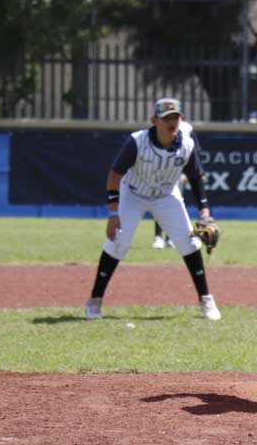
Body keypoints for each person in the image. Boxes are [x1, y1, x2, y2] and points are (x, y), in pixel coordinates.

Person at [85, 97, 221, 321]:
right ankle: (95, 299)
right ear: (154, 120)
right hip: (133, 193)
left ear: (182, 119)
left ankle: (206, 298)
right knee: (118, 242)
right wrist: (112, 213)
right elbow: (114, 175)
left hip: (166, 195)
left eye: (175, 117)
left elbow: (196, 178)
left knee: (188, 243)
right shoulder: (137, 142)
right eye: (167, 118)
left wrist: (204, 211)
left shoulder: (187, 144)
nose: (172, 122)